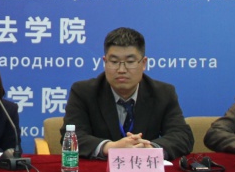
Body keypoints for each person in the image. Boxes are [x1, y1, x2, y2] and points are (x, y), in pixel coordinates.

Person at [63, 27, 193, 160]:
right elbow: (71, 135)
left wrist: (150, 148)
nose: (121, 70)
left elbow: (182, 136)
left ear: (144, 63)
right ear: (105, 62)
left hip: (144, 169)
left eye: (130, 62)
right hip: (101, 170)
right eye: (114, 62)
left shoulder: (163, 93)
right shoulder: (84, 92)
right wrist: (110, 147)